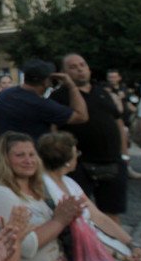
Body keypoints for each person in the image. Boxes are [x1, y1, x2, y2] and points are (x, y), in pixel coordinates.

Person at [0, 132, 141, 261]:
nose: (28, 160)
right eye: (20, 155)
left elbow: (93, 219)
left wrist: (124, 251)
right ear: (3, 159)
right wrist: (60, 220)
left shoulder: (37, 189)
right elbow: (26, 246)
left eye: (31, 154)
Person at [37, 132, 141, 261]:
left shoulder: (69, 183)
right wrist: (123, 256)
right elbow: (76, 236)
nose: (78, 156)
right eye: (76, 153)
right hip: (89, 257)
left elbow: (100, 218)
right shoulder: (48, 190)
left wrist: (132, 244)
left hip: (102, 249)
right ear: (68, 160)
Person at [50, 54, 128, 223]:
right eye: (73, 67)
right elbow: (53, 130)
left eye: (82, 65)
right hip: (80, 165)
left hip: (112, 162)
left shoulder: (103, 92)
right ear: (63, 73)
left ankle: (114, 248)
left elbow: (118, 122)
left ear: (89, 69)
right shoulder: (58, 97)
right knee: (80, 214)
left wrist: (124, 155)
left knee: (112, 213)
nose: (80, 69)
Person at [0, 60, 88, 143]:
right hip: (31, 159)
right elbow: (81, 116)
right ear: (46, 82)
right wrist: (72, 86)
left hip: (6, 155)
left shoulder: (4, 95)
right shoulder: (42, 105)